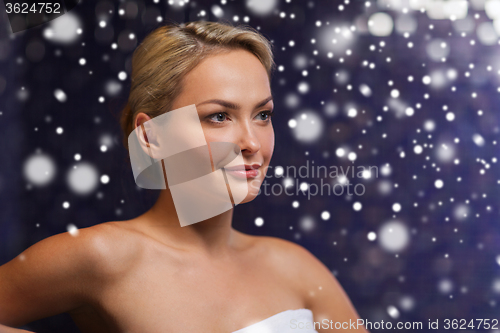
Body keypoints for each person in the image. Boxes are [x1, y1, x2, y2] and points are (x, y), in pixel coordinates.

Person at [0, 21, 369, 332]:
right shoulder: (102, 256)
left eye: (263, 115)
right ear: (151, 136)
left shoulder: (296, 268)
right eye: (219, 116)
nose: (252, 142)